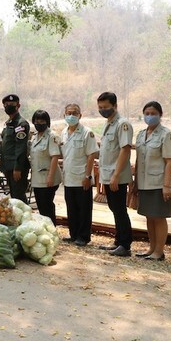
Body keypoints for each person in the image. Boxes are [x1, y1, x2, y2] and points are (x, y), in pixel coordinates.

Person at [133, 101, 171, 261]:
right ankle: (151, 248)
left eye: (153, 113)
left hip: (159, 183)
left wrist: (166, 185)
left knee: (159, 217)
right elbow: (139, 160)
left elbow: (170, 162)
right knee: (149, 216)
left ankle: (159, 251)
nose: (149, 116)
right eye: (147, 113)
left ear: (160, 115)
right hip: (144, 182)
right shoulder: (140, 134)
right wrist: (135, 182)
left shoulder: (167, 135)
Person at [97, 91, 134, 256]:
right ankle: (118, 241)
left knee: (119, 209)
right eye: (100, 107)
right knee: (114, 208)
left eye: (105, 107)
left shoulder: (122, 124)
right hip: (107, 174)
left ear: (115, 106)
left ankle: (125, 245)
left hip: (116, 175)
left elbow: (125, 150)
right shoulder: (108, 123)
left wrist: (116, 175)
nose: (103, 110)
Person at [60, 103, 99, 246]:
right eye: (68, 113)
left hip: (82, 177)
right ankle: (73, 234)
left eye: (74, 113)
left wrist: (88, 177)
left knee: (84, 209)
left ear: (80, 115)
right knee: (71, 208)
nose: (71, 115)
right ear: (64, 115)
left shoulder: (87, 132)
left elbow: (91, 155)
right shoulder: (63, 132)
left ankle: (83, 236)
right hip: (69, 177)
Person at [29, 109, 62, 225]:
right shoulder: (34, 137)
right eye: (37, 120)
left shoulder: (52, 136)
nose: (39, 123)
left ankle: (51, 228)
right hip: (37, 178)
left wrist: (50, 176)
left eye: (42, 121)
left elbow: (55, 156)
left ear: (47, 122)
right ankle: (44, 229)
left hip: (48, 178)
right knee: (41, 205)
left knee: (47, 205)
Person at [1, 94, 31, 202]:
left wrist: (17, 168)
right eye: (6, 104)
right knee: (14, 196)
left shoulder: (21, 124)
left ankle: (26, 218)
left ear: (18, 105)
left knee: (19, 197)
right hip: (8, 166)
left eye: (12, 104)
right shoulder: (8, 123)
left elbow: (21, 147)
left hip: (17, 167)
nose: (9, 106)